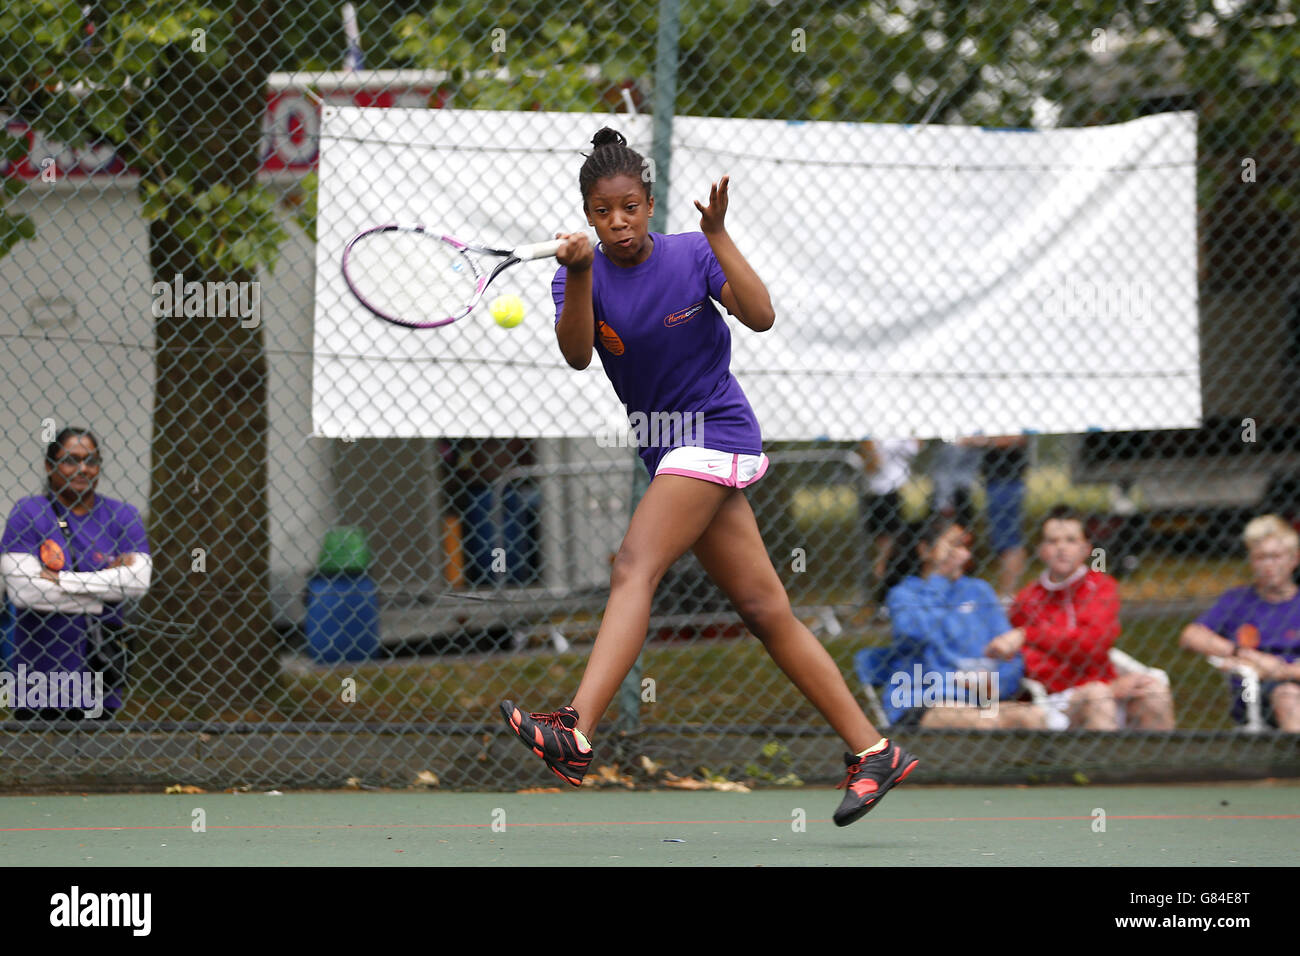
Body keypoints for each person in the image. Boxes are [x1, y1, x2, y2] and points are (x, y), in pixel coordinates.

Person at [498, 128, 918, 826]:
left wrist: (718, 235)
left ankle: (575, 729)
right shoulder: (577, 275)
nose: (618, 221)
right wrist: (580, 272)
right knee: (764, 611)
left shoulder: (693, 254)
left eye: (630, 207)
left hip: (715, 430)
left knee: (634, 565)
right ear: (588, 215)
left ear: (649, 203)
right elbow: (576, 355)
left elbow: (761, 316)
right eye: (602, 212)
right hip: (666, 451)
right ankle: (874, 750)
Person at [0, 429, 151, 719]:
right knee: (35, 747)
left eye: (91, 460)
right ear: (49, 466)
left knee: (98, 746)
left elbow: (137, 583)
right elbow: (25, 592)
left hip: (99, 674)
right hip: (38, 678)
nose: (83, 468)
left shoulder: (123, 515)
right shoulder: (28, 512)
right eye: (71, 460)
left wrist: (61, 581)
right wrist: (104, 592)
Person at [989, 506, 1175, 730]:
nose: (1061, 548)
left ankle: (1161, 754)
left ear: (1086, 548)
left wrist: (1029, 635)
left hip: (1107, 684)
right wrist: (1069, 646)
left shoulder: (1101, 587)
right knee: (1098, 697)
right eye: (1053, 541)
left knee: (1155, 691)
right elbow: (1033, 664)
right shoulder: (1026, 600)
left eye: (1071, 540)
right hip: (1054, 699)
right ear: (1041, 550)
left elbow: (1094, 644)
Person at [884, 517, 1052, 728]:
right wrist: (939, 579)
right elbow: (919, 633)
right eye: (954, 545)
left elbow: (1010, 654)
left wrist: (995, 685)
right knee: (983, 723)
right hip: (925, 699)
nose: (964, 554)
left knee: (1033, 717)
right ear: (925, 550)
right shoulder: (904, 595)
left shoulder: (979, 590)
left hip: (983, 698)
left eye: (965, 546)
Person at [1178, 515, 1300, 731]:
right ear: (1251, 561)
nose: (1269, 565)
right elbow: (1191, 636)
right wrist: (1244, 654)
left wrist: (1283, 670)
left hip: (1292, 675)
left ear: (1294, 559)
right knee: (1287, 695)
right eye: (1260, 557)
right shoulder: (1236, 601)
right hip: (1255, 692)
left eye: (1275, 556)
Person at [859, 437, 920, 603]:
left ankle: (883, 591)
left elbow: (915, 447)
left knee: (893, 548)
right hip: (881, 493)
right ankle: (880, 593)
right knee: (886, 551)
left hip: (894, 492)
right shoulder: (872, 435)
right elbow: (872, 464)